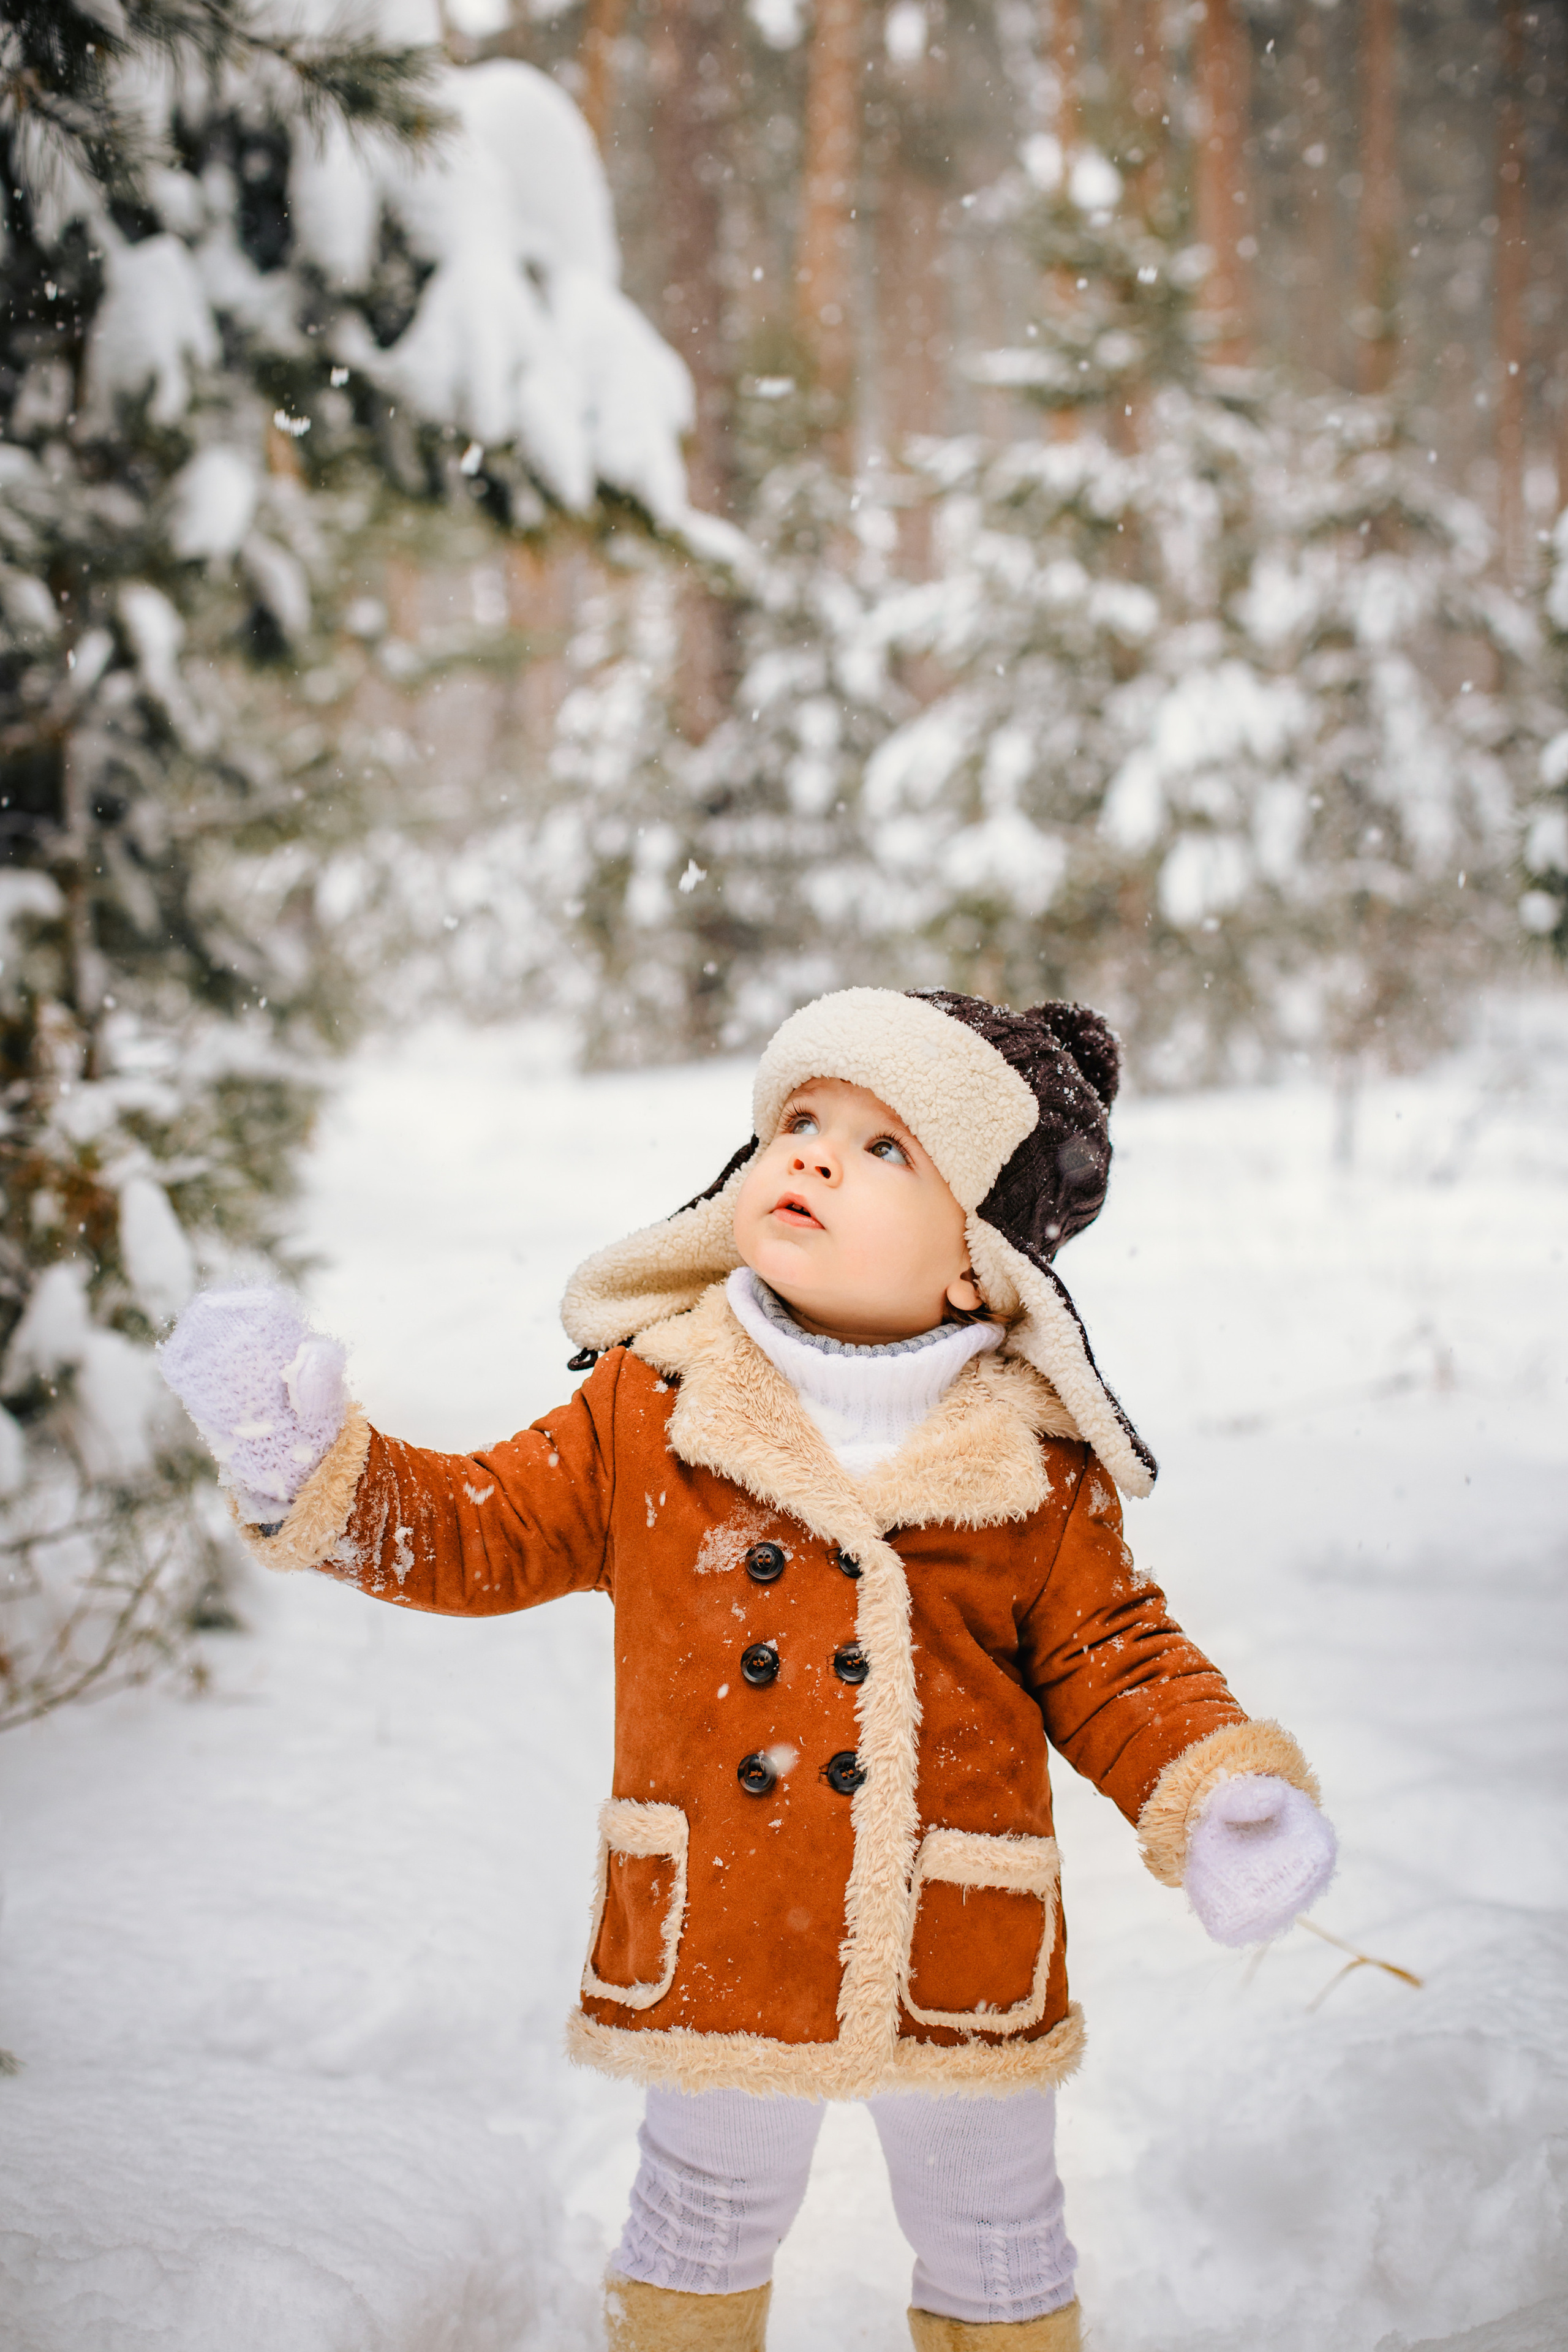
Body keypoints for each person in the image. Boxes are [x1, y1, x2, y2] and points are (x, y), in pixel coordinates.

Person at [160, 986, 1336, 2352]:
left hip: (949, 1931)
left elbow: (1112, 1655)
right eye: (801, 1120)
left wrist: (1211, 1786)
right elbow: (483, 1530)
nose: (816, 1156)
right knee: (699, 2210)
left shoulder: (1030, 1465)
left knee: (996, 2228)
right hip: (720, 1910)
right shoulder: (650, 1406)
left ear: (978, 1264)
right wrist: (324, 1474)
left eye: (884, 1147)